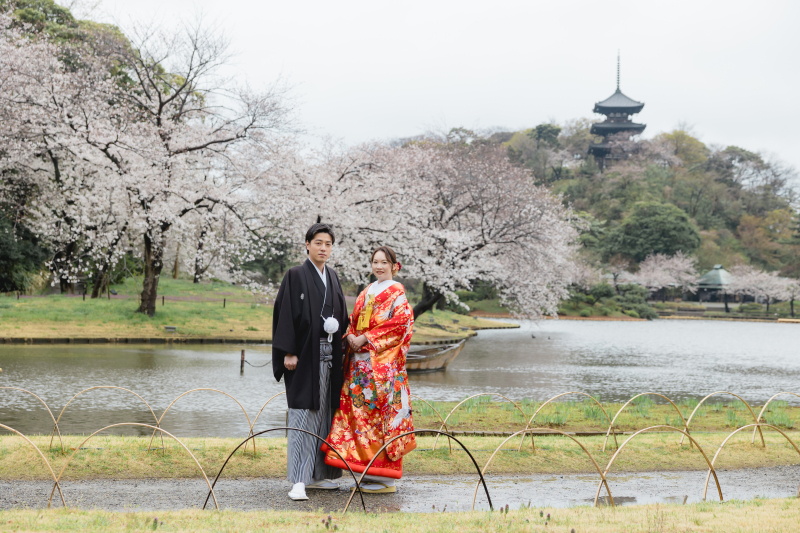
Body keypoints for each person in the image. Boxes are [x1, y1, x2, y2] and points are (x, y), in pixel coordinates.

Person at [322, 245, 416, 494]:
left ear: (395, 266)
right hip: (360, 367)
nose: (379, 266)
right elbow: (353, 320)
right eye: (375, 261)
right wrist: (352, 336)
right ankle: (367, 473)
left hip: (381, 370)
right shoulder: (367, 292)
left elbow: (400, 326)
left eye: (385, 262)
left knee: (380, 421)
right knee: (360, 420)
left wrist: (366, 339)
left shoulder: (398, 295)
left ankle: (385, 478)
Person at [272, 223, 350, 501]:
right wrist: (287, 352)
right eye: (318, 243)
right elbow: (285, 314)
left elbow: (342, 314)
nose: (323, 248)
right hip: (304, 357)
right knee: (303, 415)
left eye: (328, 244)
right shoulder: (295, 275)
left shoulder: (332, 276)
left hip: (330, 358)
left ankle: (320, 475)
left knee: (326, 415)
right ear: (307, 244)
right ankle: (298, 481)